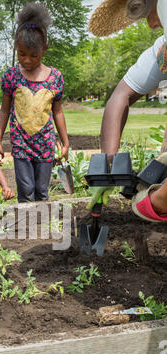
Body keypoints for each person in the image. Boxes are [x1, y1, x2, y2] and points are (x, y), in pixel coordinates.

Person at [88, 0, 167, 221]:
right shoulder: (162, 52)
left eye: (150, 14)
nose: (152, 24)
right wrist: (108, 163)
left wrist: (160, 199)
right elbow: (121, 96)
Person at [0, 2, 69, 203]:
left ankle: (42, 230)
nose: (27, 60)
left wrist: (65, 142)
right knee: (26, 190)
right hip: (21, 144)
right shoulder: (12, 76)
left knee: (42, 190)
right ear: (16, 49)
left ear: (45, 49)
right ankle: (25, 230)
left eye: (33, 56)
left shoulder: (55, 78)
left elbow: (58, 112)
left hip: (45, 144)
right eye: (22, 54)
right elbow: (4, 111)